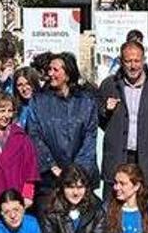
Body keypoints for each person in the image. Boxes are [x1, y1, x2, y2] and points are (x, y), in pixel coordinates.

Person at [98, 40, 148, 202]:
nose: (133, 66)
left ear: (143, 60)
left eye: (137, 61)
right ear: (120, 61)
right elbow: (99, 121)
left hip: (146, 159)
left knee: (141, 205)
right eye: (128, 61)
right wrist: (106, 111)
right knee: (112, 206)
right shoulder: (109, 85)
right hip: (117, 158)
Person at [27, 53, 98, 207]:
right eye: (49, 69)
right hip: (49, 180)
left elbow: (90, 137)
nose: (50, 73)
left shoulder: (86, 101)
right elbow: (34, 135)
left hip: (80, 180)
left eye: (55, 70)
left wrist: (76, 172)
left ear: (67, 74)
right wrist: (52, 166)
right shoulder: (38, 101)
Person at [0, 90, 39, 216]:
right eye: (1, 111)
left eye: (10, 111)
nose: (6, 115)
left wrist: (27, 194)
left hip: (13, 197)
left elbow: (30, 168)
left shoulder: (20, 136)